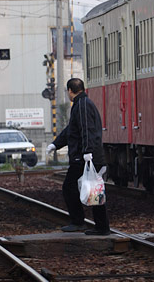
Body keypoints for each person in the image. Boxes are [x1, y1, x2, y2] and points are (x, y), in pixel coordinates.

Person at [47, 78, 111, 235]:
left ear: (70, 90)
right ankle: (101, 227)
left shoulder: (81, 105)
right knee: (93, 190)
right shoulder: (83, 104)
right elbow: (71, 130)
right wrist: (56, 144)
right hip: (87, 156)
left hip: (84, 158)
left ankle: (79, 222)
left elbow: (86, 130)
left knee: (70, 187)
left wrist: (87, 152)